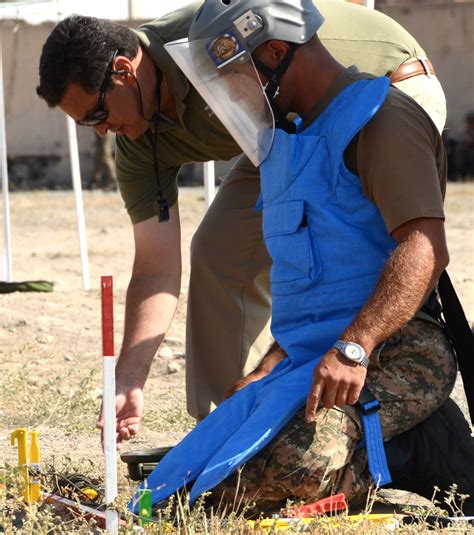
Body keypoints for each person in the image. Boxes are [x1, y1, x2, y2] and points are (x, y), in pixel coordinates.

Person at [36, 2, 450, 436]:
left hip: (387, 86)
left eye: (98, 115)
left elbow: (295, 51)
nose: (101, 132)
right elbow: (155, 266)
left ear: (123, 69)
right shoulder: (137, 139)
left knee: (341, 250)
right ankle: (233, 426)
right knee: (217, 250)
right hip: (280, 126)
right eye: (88, 126)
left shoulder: (214, 37)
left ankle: (380, 404)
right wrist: (129, 376)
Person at [125, 0, 473, 515]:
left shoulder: (383, 121)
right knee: (198, 470)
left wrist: (353, 348)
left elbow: (424, 248)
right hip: (310, 357)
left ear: (273, 52)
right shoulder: (287, 141)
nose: (228, 94)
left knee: (284, 472)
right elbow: (314, 289)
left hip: (394, 348)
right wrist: (269, 366)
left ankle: (415, 448)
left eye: (233, 76)